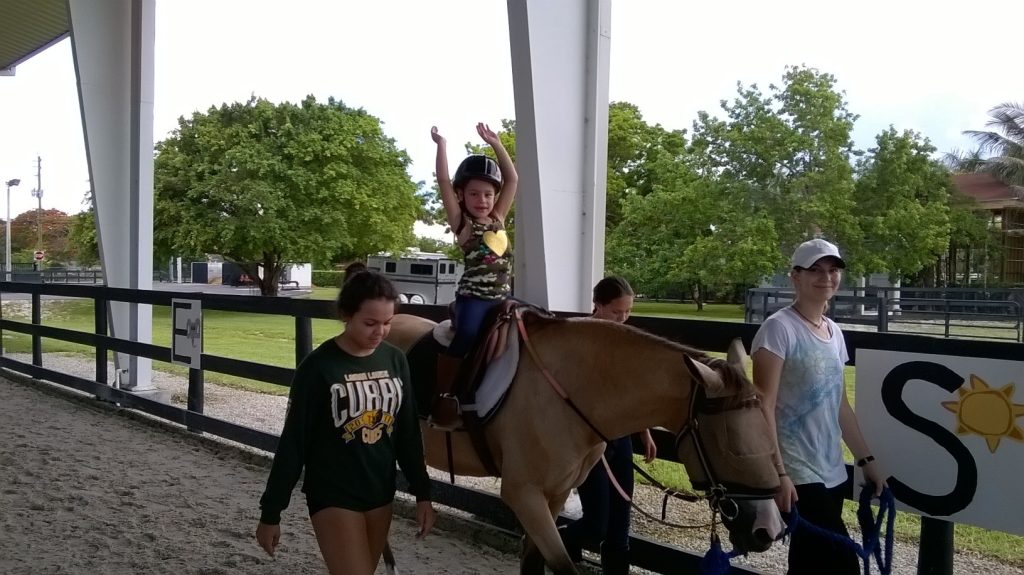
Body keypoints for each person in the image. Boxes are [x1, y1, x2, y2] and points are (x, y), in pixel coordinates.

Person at [255, 270, 436, 575]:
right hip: (334, 493)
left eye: (387, 322)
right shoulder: (318, 367)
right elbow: (293, 443)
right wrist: (271, 512)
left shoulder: (395, 360)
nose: (380, 331)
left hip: (380, 492)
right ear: (346, 315)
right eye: (370, 323)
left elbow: (407, 433)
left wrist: (423, 493)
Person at [751, 238, 887, 575]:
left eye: (833, 270)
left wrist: (866, 460)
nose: (826, 277)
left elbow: (840, 405)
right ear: (795, 276)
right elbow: (764, 405)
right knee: (841, 560)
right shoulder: (777, 329)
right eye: (815, 270)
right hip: (797, 471)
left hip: (831, 468)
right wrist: (779, 473)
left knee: (809, 561)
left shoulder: (834, 332)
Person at [559, 275, 657, 574]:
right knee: (597, 522)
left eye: (628, 312)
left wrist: (645, 431)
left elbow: (633, 391)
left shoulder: (626, 340)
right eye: (617, 312)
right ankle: (553, 541)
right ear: (598, 305)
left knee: (621, 514)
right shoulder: (578, 337)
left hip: (620, 435)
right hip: (589, 440)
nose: (623, 318)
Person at [431, 123, 518, 359]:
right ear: (461, 195)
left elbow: (512, 180)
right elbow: (443, 181)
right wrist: (441, 145)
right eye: (474, 194)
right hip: (474, 300)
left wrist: (496, 144)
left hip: (503, 298)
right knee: (467, 335)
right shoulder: (462, 223)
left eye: (488, 194)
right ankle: (450, 379)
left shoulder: (498, 218)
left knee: (534, 321)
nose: (482, 200)